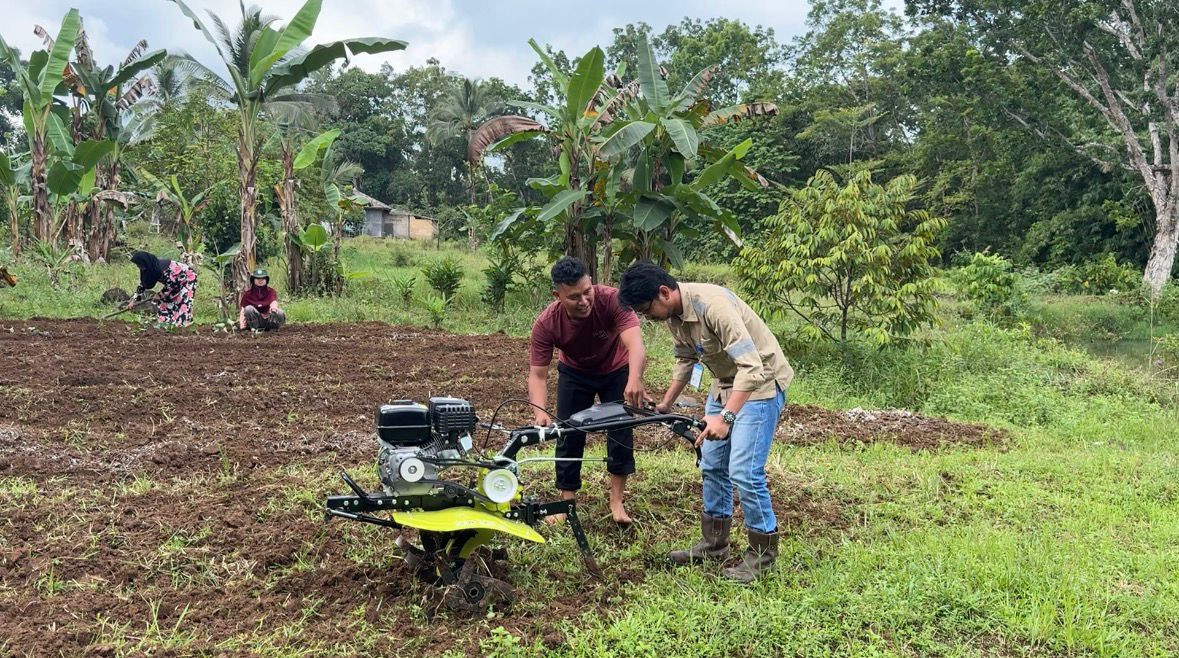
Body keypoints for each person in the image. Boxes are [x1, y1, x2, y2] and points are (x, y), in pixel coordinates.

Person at [618, 262, 793, 583]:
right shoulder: (674, 316)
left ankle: (762, 557)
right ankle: (714, 545)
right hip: (724, 384)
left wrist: (726, 418)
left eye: (646, 309)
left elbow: (752, 368)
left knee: (744, 471)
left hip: (761, 385)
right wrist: (666, 404)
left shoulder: (714, 307)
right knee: (712, 464)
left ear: (664, 292)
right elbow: (686, 360)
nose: (647, 317)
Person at [528, 256, 648, 525]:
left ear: (592, 283)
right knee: (568, 434)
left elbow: (635, 344)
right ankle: (566, 503)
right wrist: (539, 412)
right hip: (575, 373)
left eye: (587, 291)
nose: (583, 301)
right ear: (557, 296)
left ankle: (616, 502)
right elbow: (537, 375)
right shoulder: (547, 323)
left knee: (620, 432)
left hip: (616, 370)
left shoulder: (612, 299)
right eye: (574, 297)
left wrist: (635, 378)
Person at [129, 251, 197, 328]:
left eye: (139, 264)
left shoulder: (161, 268)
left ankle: (183, 326)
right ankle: (166, 324)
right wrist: (133, 300)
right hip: (174, 283)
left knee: (183, 302)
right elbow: (142, 285)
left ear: (145, 262)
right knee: (165, 302)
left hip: (188, 278)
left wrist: (159, 295)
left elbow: (171, 284)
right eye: (137, 265)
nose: (138, 267)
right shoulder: (148, 269)